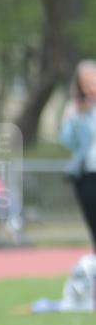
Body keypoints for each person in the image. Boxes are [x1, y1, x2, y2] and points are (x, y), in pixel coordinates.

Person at [59, 59, 96, 253]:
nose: (90, 86)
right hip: (86, 173)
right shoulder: (74, 109)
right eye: (86, 82)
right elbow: (67, 142)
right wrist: (76, 117)